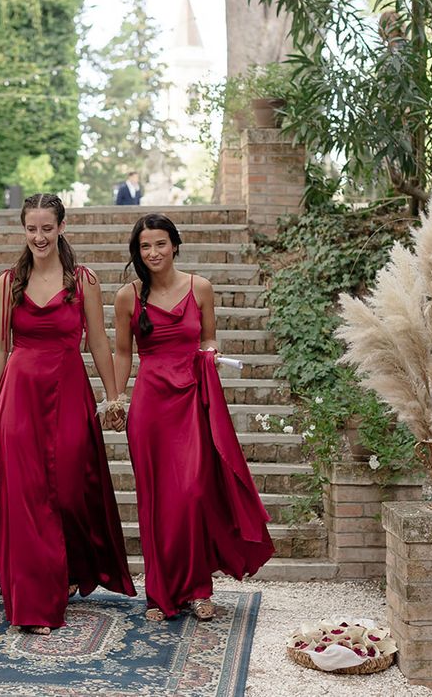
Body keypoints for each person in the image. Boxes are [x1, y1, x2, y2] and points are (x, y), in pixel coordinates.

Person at [0, 193, 136, 635]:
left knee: (67, 491)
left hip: (69, 392)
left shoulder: (83, 281)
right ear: (23, 230)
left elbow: (100, 343)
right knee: (26, 497)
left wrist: (114, 396)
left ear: (62, 228)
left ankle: (66, 571)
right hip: (20, 395)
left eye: (47, 228)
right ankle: (33, 601)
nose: (39, 236)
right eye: (32, 228)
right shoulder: (8, 282)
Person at [113, 213, 274, 622]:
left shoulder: (200, 287)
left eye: (161, 244)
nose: (153, 252)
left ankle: (199, 587)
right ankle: (160, 595)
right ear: (138, 251)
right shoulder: (127, 297)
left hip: (191, 402)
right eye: (145, 246)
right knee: (155, 501)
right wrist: (115, 398)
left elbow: (208, 336)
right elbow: (121, 353)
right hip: (150, 407)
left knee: (192, 494)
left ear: (175, 245)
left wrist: (211, 353)